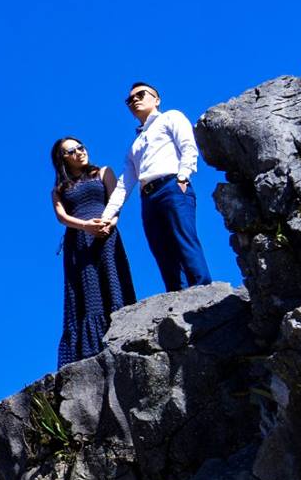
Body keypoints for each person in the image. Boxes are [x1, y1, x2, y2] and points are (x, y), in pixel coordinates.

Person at [50, 137, 137, 368]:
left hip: (106, 234)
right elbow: (62, 217)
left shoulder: (103, 172)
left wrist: (110, 223)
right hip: (78, 240)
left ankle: (121, 330)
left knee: (111, 277)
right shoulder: (59, 189)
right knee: (86, 288)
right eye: (71, 151)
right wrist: (85, 226)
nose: (79, 152)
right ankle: (89, 347)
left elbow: (116, 201)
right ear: (63, 159)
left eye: (81, 147)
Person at [124, 82, 212, 290]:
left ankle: (204, 292)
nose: (134, 100)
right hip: (147, 196)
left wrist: (183, 177)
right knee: (161, 249)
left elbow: (188, 146)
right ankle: (177, 297)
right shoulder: (134, 145)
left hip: (171, 186)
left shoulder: (171, 117)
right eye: (130, 99)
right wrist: (110, 215)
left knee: (184, 239)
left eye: (141, 94)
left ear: (156, 99)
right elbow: (125, 182)